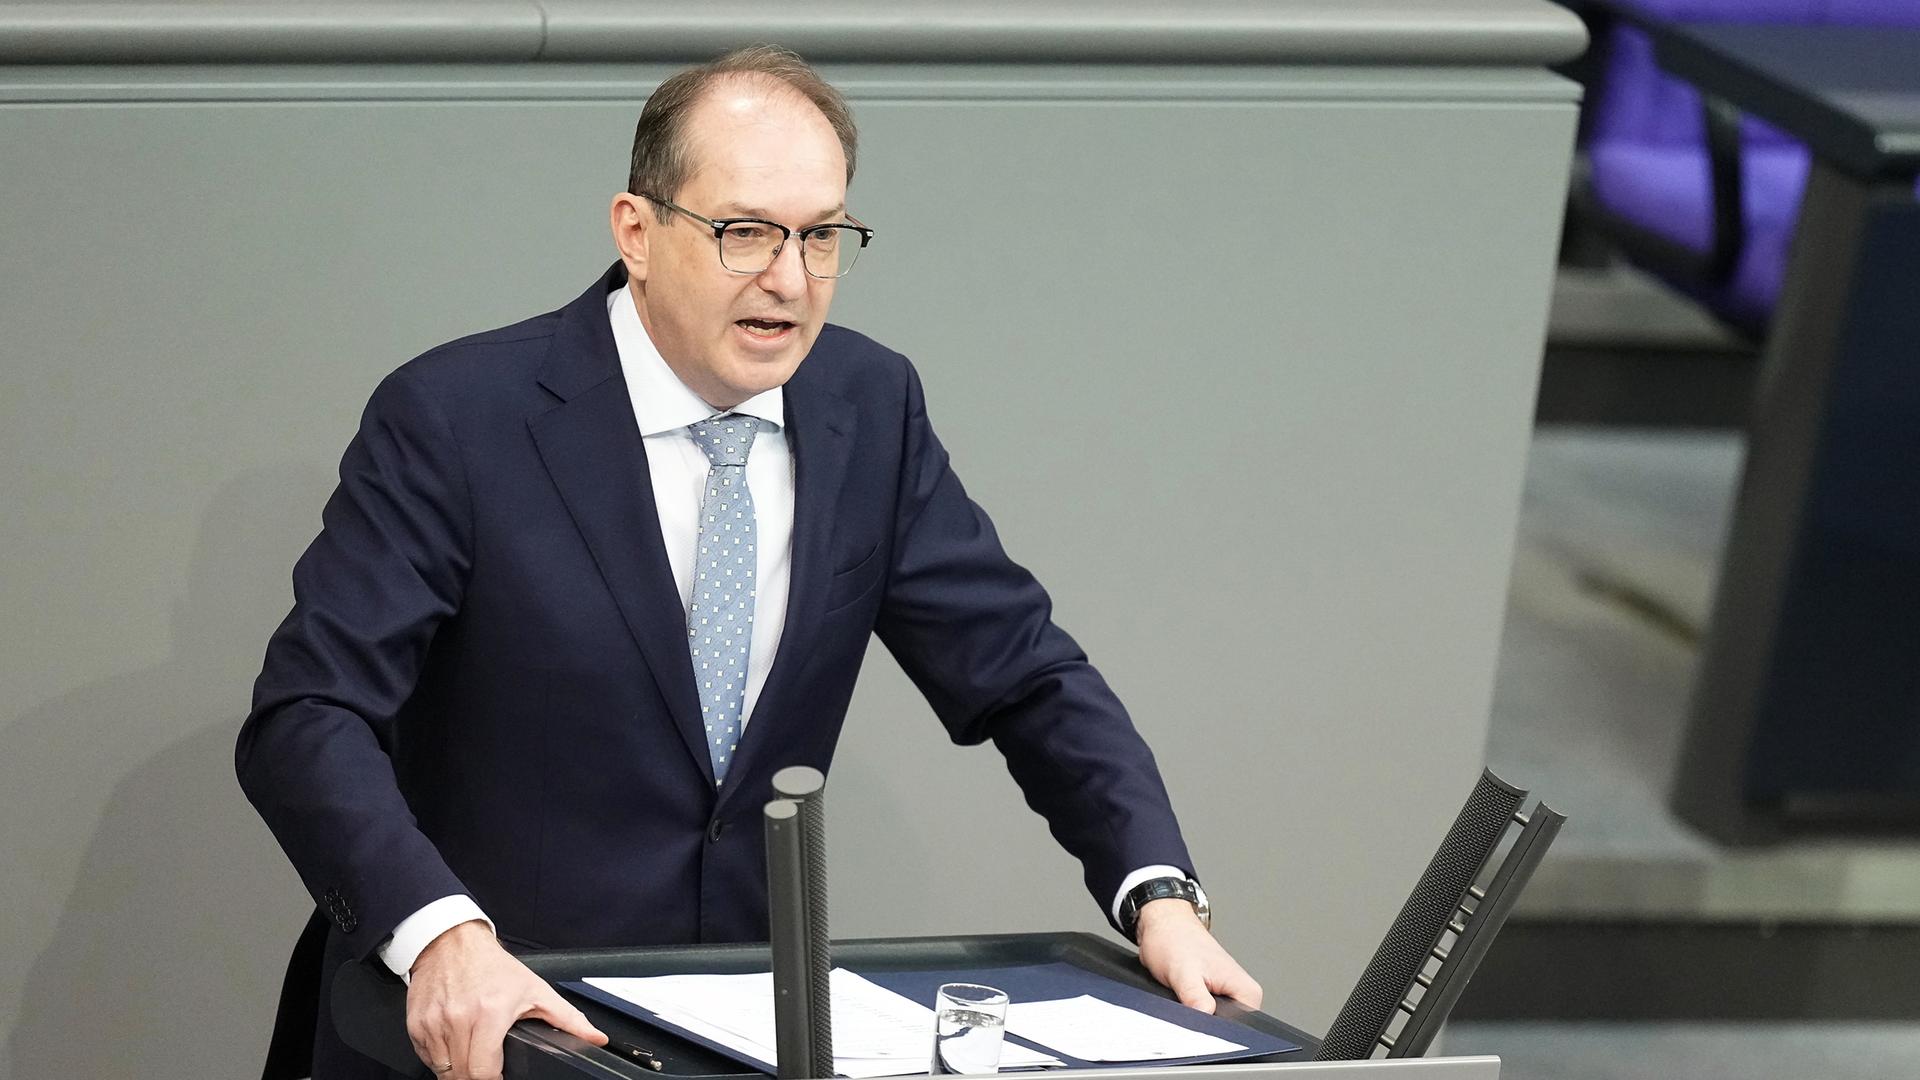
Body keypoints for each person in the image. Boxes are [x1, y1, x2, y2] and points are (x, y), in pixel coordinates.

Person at [237, 44, 1260, 1080]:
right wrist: (444, 936)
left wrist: (1158, 893)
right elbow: (307, 716)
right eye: (745, 233)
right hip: (490, 1031)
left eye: (823, 237)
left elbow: (1027, 676)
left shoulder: (870, 408)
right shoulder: (461, 418)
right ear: (636, 231)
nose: (790, 278)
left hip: (736, 1040)